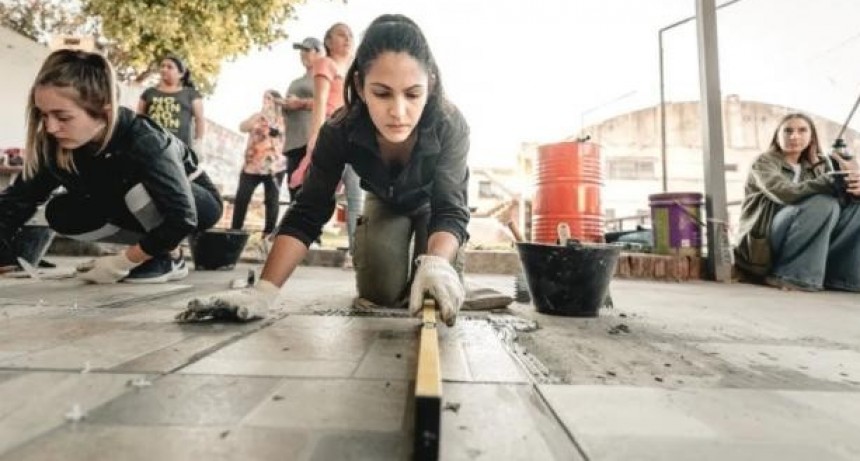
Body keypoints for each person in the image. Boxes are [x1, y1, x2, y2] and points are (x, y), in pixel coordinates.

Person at [179, 14, 470, 325]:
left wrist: (437, 263)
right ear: (359, 86)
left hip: (435, 207)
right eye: (382, 93)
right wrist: (264, 291)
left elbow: (450, 208)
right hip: (385, 202)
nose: (398, 112)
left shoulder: (449, 124)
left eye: (413, 94)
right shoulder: (339, 130)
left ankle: (445, 269)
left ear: (431, 84)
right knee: (380, 292)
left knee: (436, 286)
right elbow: (309, 210)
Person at [0, 49, 223, 283]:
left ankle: (166, 257)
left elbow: (182, 218)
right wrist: (4, 257)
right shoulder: (56, 144)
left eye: (63, 118)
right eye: (43, 116)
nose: (50, 128)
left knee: (136, 191)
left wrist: (124, 261)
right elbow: (19, 199)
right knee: (61, 212)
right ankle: (154, 247)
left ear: (104, 113)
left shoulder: (144, 140)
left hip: (195, 204)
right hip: (130, 199)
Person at [734, 112, 860, 291]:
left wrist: (853, 186)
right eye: (787, 131)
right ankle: (791, 276)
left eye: (802, 130)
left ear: (812, 136)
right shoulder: (763, 163)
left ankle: (842, 278)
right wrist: (828, 181)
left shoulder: (821, 165)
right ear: (777, 136)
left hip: (809, 233)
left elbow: (841, 205)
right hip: (766, 239)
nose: (794, 136)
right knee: (822, 203)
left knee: (856, 208)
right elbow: (784, 193)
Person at [289, 22, 363, 268]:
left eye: (350, 34)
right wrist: (315, 137)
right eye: (341, 34)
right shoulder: (325, 64)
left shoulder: (356, 68)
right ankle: (287, 240)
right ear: (328, 41)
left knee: (355, 194)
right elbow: (320, 101)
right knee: (316, 193)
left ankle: (356, 253)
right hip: (331, 132)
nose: (348, 38)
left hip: (352, 134)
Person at [230, 90, 287, 240]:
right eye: (264, 98)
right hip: (252, 165)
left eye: (269, 98)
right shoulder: (256, 117)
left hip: (274, 166)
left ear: (277, 101)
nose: (266, 102)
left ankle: (268, 234)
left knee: (271, 199)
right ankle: (235, 231)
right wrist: (257, 117)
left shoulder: (284, 119)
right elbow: (242, 127)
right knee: (242, 197)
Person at [280, 37, 324, 201]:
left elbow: (328, 103)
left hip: (311, 140)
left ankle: (309, 225)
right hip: (293, 142)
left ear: (319, 52)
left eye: (307, 50)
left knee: (310, 188)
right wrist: (284, 104)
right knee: (293, 186)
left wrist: (300, 103)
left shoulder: (323, 78)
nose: (302, 54)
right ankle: (295, 225)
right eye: (301, 50)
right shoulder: (295, 81)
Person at [137, 55, 205, 150]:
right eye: (162, 66)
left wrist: (199, 143)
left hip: (177, 150)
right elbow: (139, 118)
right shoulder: (149, 92)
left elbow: (199, 119)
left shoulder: (191, 94)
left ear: (180, 74)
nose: (164, 69)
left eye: (169, 67)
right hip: (149, 145)